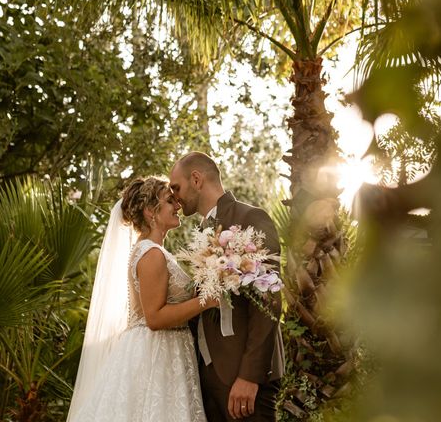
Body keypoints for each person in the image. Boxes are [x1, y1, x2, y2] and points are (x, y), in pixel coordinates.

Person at [67, 176, 216, 422]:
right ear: (150, 212)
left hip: (164, 349)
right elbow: (155, 318)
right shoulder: (152, 254)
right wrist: (206, 302)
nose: (178, 205)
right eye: (170, 201)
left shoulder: (151, 250)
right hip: (156, 352)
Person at [169, 152, 285, 421]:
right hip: (210, 378)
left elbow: (268, 301)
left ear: (196, 179)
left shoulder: (251, 218)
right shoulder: (202, 230)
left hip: (243, 379)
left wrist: (249, 375)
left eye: (177, 187)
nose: (174, 196)